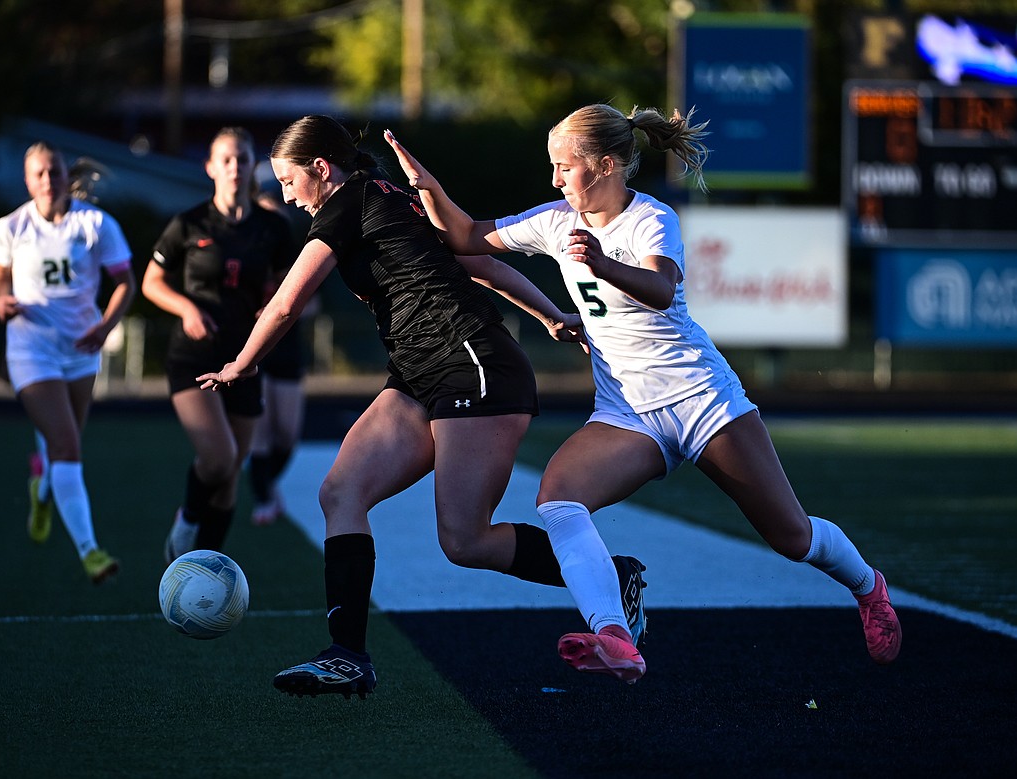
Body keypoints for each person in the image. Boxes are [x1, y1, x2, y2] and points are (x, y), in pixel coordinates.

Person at [385, 103, 902, 683]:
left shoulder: (652, 218)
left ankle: (868, 586)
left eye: (564, 167)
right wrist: (429, 189)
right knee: (558, 499)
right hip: (627, 412)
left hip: (703, 400)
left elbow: (659, 288)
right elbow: (465, 237)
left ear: (606, 165)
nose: (555, 180)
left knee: (791, 536)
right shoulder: (557, 220)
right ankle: (614, 634)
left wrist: (602, 263)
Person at [197, 114, 646, 700]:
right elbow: (475, 262)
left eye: (288, 181)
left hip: (474, 366)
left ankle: (617, 579)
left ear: (321, 170)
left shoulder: (352, 199)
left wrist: (241, 362)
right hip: (419, 372)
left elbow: (286, 303)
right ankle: (347, 657)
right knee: (340, 493)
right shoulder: (386, 197)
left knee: (464, 541)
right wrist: (548, 315)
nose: (285, 195)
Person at [142, 127, 295, 561]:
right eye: (226, 159)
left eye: (242, 159)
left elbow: (289, 286)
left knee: (230, 477)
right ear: (210, 167)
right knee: (219, 457)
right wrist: (188, 310)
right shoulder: (188, 224)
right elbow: (152, 283)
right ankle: (188, 517)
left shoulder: (273, 229)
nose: (234, 167)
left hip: (244, 358)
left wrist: (270, 307)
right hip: (194, 356)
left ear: (252, 167)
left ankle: (205, 569)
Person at [0, 141, 136, 584]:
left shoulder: (96, 224)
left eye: (53, 171)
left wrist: (106, 327)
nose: (48, 181)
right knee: (68, 445)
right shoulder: (10, 227)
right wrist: (2, 305)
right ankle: (91, 552)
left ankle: (43, 489)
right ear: (27, 180)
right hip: (30, 349)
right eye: (38, 174)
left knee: (62, 447)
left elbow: (126, 283)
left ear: (64, 173)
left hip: (82, 351)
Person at [246, 181, 313, 526]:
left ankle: (267, 484)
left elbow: (312, 301)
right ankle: (263, 497)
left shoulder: (301, 252)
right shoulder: (247, 250)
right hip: (254, 347)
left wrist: (290, 306)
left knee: (287, 432)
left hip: (287, 345)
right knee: (261, 428)